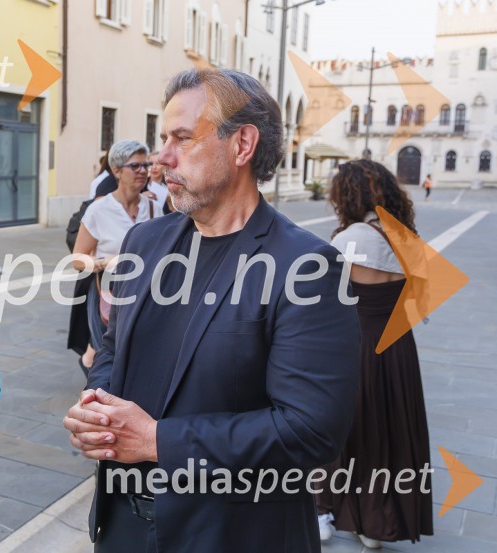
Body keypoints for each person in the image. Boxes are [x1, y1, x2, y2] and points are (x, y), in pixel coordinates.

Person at [63, 68, 360, 553]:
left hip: (234, 537)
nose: (162, 157)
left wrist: (160, 441)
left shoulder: (307, 267)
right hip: (122, 529)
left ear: (242, 145)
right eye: (164, 138)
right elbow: (114, 354)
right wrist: (96, 410)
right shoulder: (145, 241)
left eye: (182, 137)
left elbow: (310, 431)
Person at [317, 160, 433, 549]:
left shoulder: (351, 238)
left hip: (356, 345)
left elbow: (321, 301)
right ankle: (375, 522)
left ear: (348, 195)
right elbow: (420, 301)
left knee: (345, 430)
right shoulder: (405, 236)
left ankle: (324, 511)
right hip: (399, 348)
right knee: (389, 431)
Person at [72, 139, 156, 371]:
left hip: (147, 294)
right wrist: (103, 263)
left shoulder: (154, 208)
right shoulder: (99, 210)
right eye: (135, 166)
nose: (143, 171)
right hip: (110, 293)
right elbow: (77, 258)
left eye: (146, 165)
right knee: (110, 356)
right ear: (117, 171)